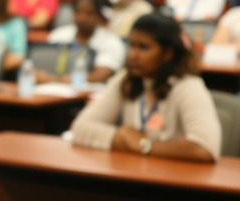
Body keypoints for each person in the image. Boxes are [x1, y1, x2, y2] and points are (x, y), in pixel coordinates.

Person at [70, 14, 221, 163]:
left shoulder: (188, 86)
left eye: (143, 47)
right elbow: (80, 127)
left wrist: (145, 146)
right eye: (131, 45)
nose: (133, 55)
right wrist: (123, 137)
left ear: (168, 53)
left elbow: (205, 148)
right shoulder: (126, 79)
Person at [43, 0, 125, 83]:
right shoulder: (57, 36)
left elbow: (99, 76)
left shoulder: (112, 42)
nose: (82, 18)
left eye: (89, 13)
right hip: (52, 93)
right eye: (78, 11)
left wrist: (54, 80)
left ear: (99, 16)